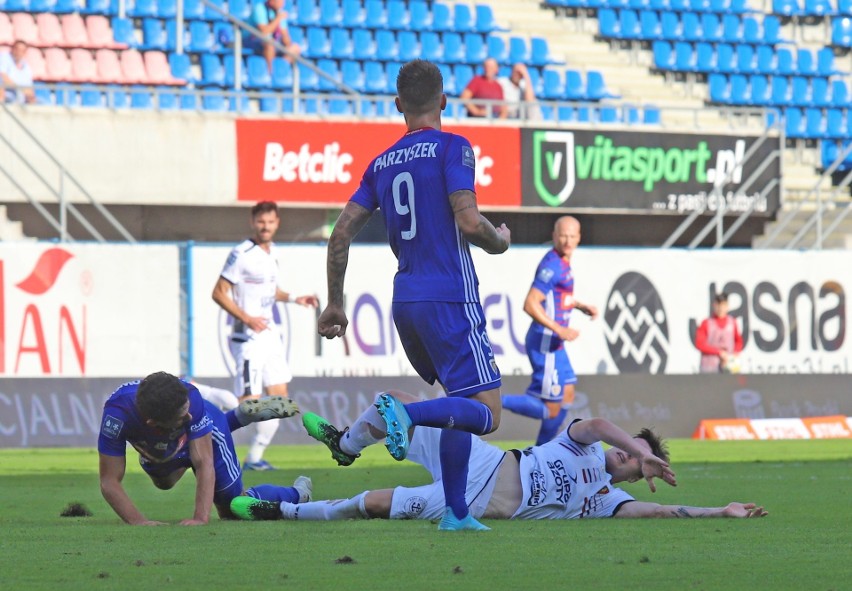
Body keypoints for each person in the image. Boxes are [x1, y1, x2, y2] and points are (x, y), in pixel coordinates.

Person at [316, 59, 511, 531]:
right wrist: (499, 240)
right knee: (487, 414)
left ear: (398, 105)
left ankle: (456, 514)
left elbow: (339, 236)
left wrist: (336, 302)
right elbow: (468, 221)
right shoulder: (454, 147)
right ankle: (405, 414)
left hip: (405, 300)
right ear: (444, 101)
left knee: (457, 403)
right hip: (450, 297)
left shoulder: (380, 164)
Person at [232, 409, 768, 523]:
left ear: (636, 474)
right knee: (394, 401)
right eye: (629, 450)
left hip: (482, 500)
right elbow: (601, 424)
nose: (624, 456)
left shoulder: (606, 501)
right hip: (485, 458)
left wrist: (719, 512)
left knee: (371, 505)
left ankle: (282, 512)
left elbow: (656, 511)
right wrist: (639, 445)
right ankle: (347, 444)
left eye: (634, 460)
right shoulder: (580, 443)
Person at [97, 371, 311, 525]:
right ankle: (238, 416)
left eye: (187, 410)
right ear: (152, 423)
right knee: (164, 482)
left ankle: (298, 493)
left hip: (209, 427)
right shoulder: (116, 417)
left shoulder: (191, 399)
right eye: (183, 417)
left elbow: (204, 462)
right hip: (163, 444)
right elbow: (109, 481)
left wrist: (200, 518)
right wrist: (139, 522)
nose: (189, 417)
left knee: (233, 508)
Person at [212, 201, 319, 471]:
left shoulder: (272, 253)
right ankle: (205, 393)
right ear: (253, 222)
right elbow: (218, 292)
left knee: (280, 400)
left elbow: (272, 291)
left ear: (277, 223)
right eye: (261, 222)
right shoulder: (241, 253)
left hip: (269, 337)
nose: (266, 227)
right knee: (248, 406)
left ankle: (255, 459)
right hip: (248, 338)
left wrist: (295, 298)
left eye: (270, 222)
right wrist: (247, 318)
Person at [502, 216, 597, 446]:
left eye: (572, 236)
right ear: (554, 236)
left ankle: (543, 451)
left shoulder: (563, 263)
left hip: (555, 343)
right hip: (546, 342)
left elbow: (557, 298)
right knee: (551, 409)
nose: (567, 240)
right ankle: (493, 400)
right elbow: (530, 303)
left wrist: (580, 305)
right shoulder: (551, 266)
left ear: (579, 238)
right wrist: (559, 329)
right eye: (563, 235)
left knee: (568, 394)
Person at [244, 0, 301, 72]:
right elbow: (263, 31)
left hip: (273, 42)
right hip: (252, 40)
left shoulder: (279, 13)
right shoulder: (260, 9)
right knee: (270, 44)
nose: (282, 3)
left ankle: (281, 69)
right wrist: (278, 19)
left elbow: (286, 40)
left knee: (295, 48)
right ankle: (270, 73)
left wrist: (285, 37)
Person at [695, 292, 743, 373]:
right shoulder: (706, 323)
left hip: (728, 367)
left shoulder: (732, 322)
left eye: (723, 305)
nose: (721, 308)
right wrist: (719, 352)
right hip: (709, 369)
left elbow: (739, 341)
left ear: (727, 306)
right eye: (718, 305)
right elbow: (699, 344)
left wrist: (734, 354)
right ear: (714, 305)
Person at [0, 40, 36, 104]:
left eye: (22, 50)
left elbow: (29, 88)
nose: (18, 52)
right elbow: (2, 76)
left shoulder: (26, 66)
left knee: (40, 102)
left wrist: (30, 96)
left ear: (25, 52)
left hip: (19, 99)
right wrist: (19, 89)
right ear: (12, 49)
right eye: (17, 49)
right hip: (7, 96)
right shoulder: (4, 57)